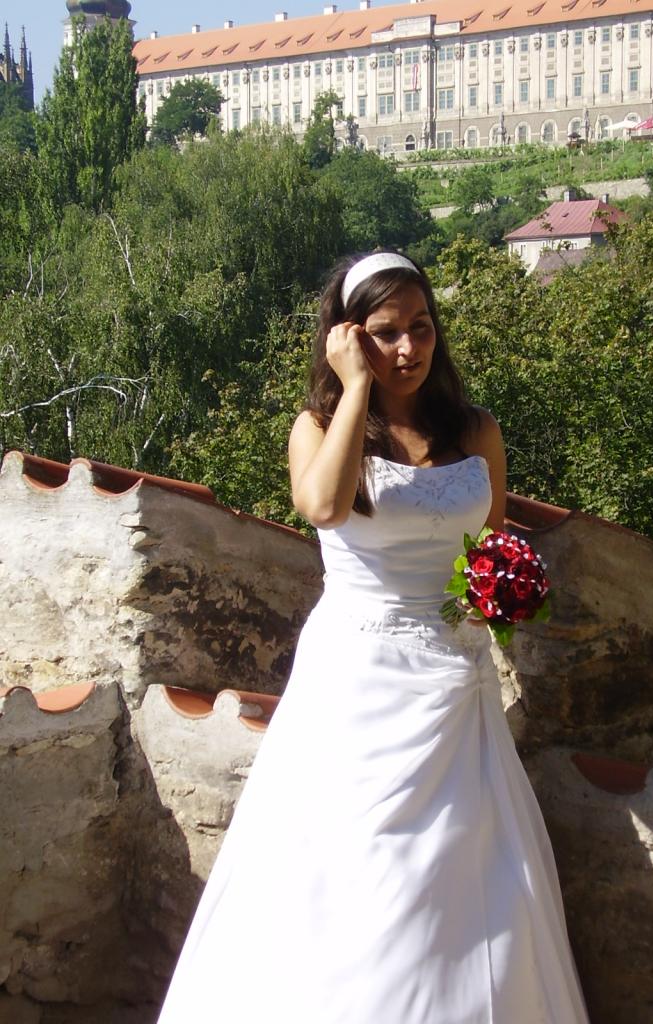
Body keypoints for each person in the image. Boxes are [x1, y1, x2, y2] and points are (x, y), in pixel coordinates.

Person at [157, 251, 590, 1024]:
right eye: (387, 333)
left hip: (455, 685)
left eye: (421, 327)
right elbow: (323, 506)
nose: (408, 348)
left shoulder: (476, 431)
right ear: (349, 336)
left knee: (456, 877)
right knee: (355, 871)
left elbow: (488, 547)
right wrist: (356, 387)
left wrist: (503, 594)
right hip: (357, 682)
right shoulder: (319, 427)